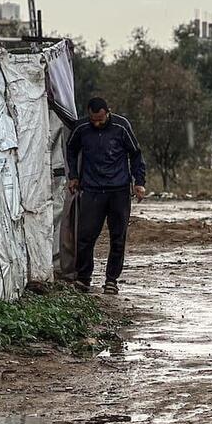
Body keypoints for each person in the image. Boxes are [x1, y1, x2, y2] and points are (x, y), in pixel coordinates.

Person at [66, 97, 146, 295]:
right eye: (94, 119)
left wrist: (139, 182)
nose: (97, 123)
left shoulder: (121, 126)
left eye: (101, 119)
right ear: (89, 115)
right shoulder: (82, 128)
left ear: (108, 112)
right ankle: (84, 278)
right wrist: (74, 176)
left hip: (118, 190)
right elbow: (71, 149)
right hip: (92, 189)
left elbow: (135, 154)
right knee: (85, 236)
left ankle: (111, 280)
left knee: (117, 237)